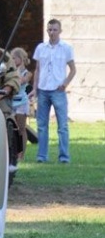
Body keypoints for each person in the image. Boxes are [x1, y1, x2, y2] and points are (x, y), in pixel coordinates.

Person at [31, 19, 76, 163]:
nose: (52, 32)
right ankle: (42, 156)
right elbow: (37, 69)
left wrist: (65, 83)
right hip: (43, 90)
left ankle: (64, 156)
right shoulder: (41, 48)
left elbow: (73, 69)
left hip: (58, 91)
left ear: (60, 31)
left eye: (55, 30)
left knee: (62, 126)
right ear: (47, 31)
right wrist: (34, 89)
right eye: (49, 29)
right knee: (42, 125)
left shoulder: (66, 48)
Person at [9, 47, 32, 161]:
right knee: (11, 128)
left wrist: (14, 74)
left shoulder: (27, 73)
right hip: (11, 102)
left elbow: (21, 81)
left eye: (14, 58)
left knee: (21, 129)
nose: (12, 60)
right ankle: (12, 151)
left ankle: (21, 154)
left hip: (22, 102)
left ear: (21, 59)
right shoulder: (10, 71)